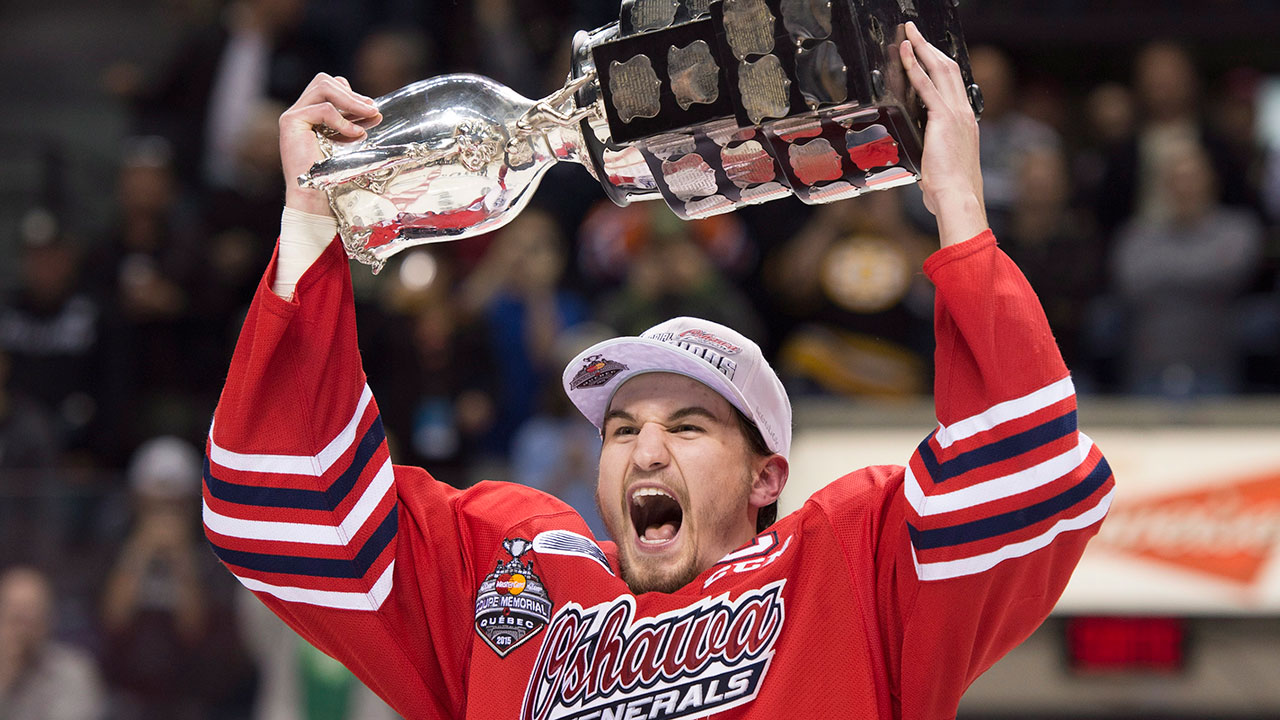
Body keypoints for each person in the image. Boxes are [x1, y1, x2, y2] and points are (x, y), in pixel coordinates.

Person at [203, 23, 1114, 719]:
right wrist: (310, 226)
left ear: (767, 476)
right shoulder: (518, 577)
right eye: (623, 429)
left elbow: (1028, 479)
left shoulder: (842, 568)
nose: (643, 451)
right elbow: (279, 511)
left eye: (687, 427)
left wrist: (957, 205)